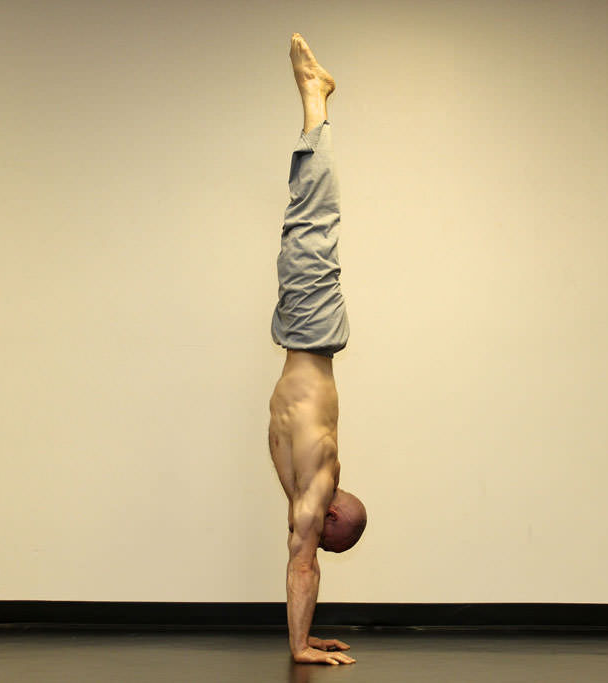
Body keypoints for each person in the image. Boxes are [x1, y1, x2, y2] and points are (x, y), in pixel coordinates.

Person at [267, 33, 367, 666]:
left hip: (305, 337)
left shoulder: (309, 485)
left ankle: (316, 103)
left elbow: (301, 558)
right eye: (326, 540)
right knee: (310, 223)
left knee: (307, 223)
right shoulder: (312, 479)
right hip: (307, 335)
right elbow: (303, 562)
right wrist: (302, 640)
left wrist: (303, 640)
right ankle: (315, 102)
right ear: (331, 516)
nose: (314, 545)